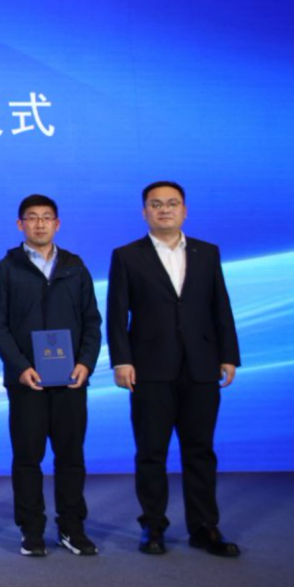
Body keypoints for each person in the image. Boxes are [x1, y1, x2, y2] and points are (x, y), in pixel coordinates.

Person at [107, 181, 241, 557]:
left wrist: (228, 355)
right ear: (144, 212)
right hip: (149, 368)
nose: (164, 210)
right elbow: (117, 314)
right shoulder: (127, 255)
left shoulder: (207, 252)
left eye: (172, 203)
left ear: (184, 210)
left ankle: (204, 527)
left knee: (200, 450)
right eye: (156, 204)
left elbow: (220, 306)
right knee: (151, 451)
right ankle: (153, 525)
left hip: (201, 366)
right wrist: (122, 360)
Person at [0, 194, 101, 557]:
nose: (39, 224)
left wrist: (86, 363)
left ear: (57, 224)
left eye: (46, 217)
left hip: (70, 380)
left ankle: (72, 528)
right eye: (32, 218)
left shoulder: (75, 267)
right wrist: (20, 367)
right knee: (27, 458)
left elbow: (92, 321)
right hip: (27, 382)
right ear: (20, 224)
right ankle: (31, 530)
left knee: (71, 457)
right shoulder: (6, 269)